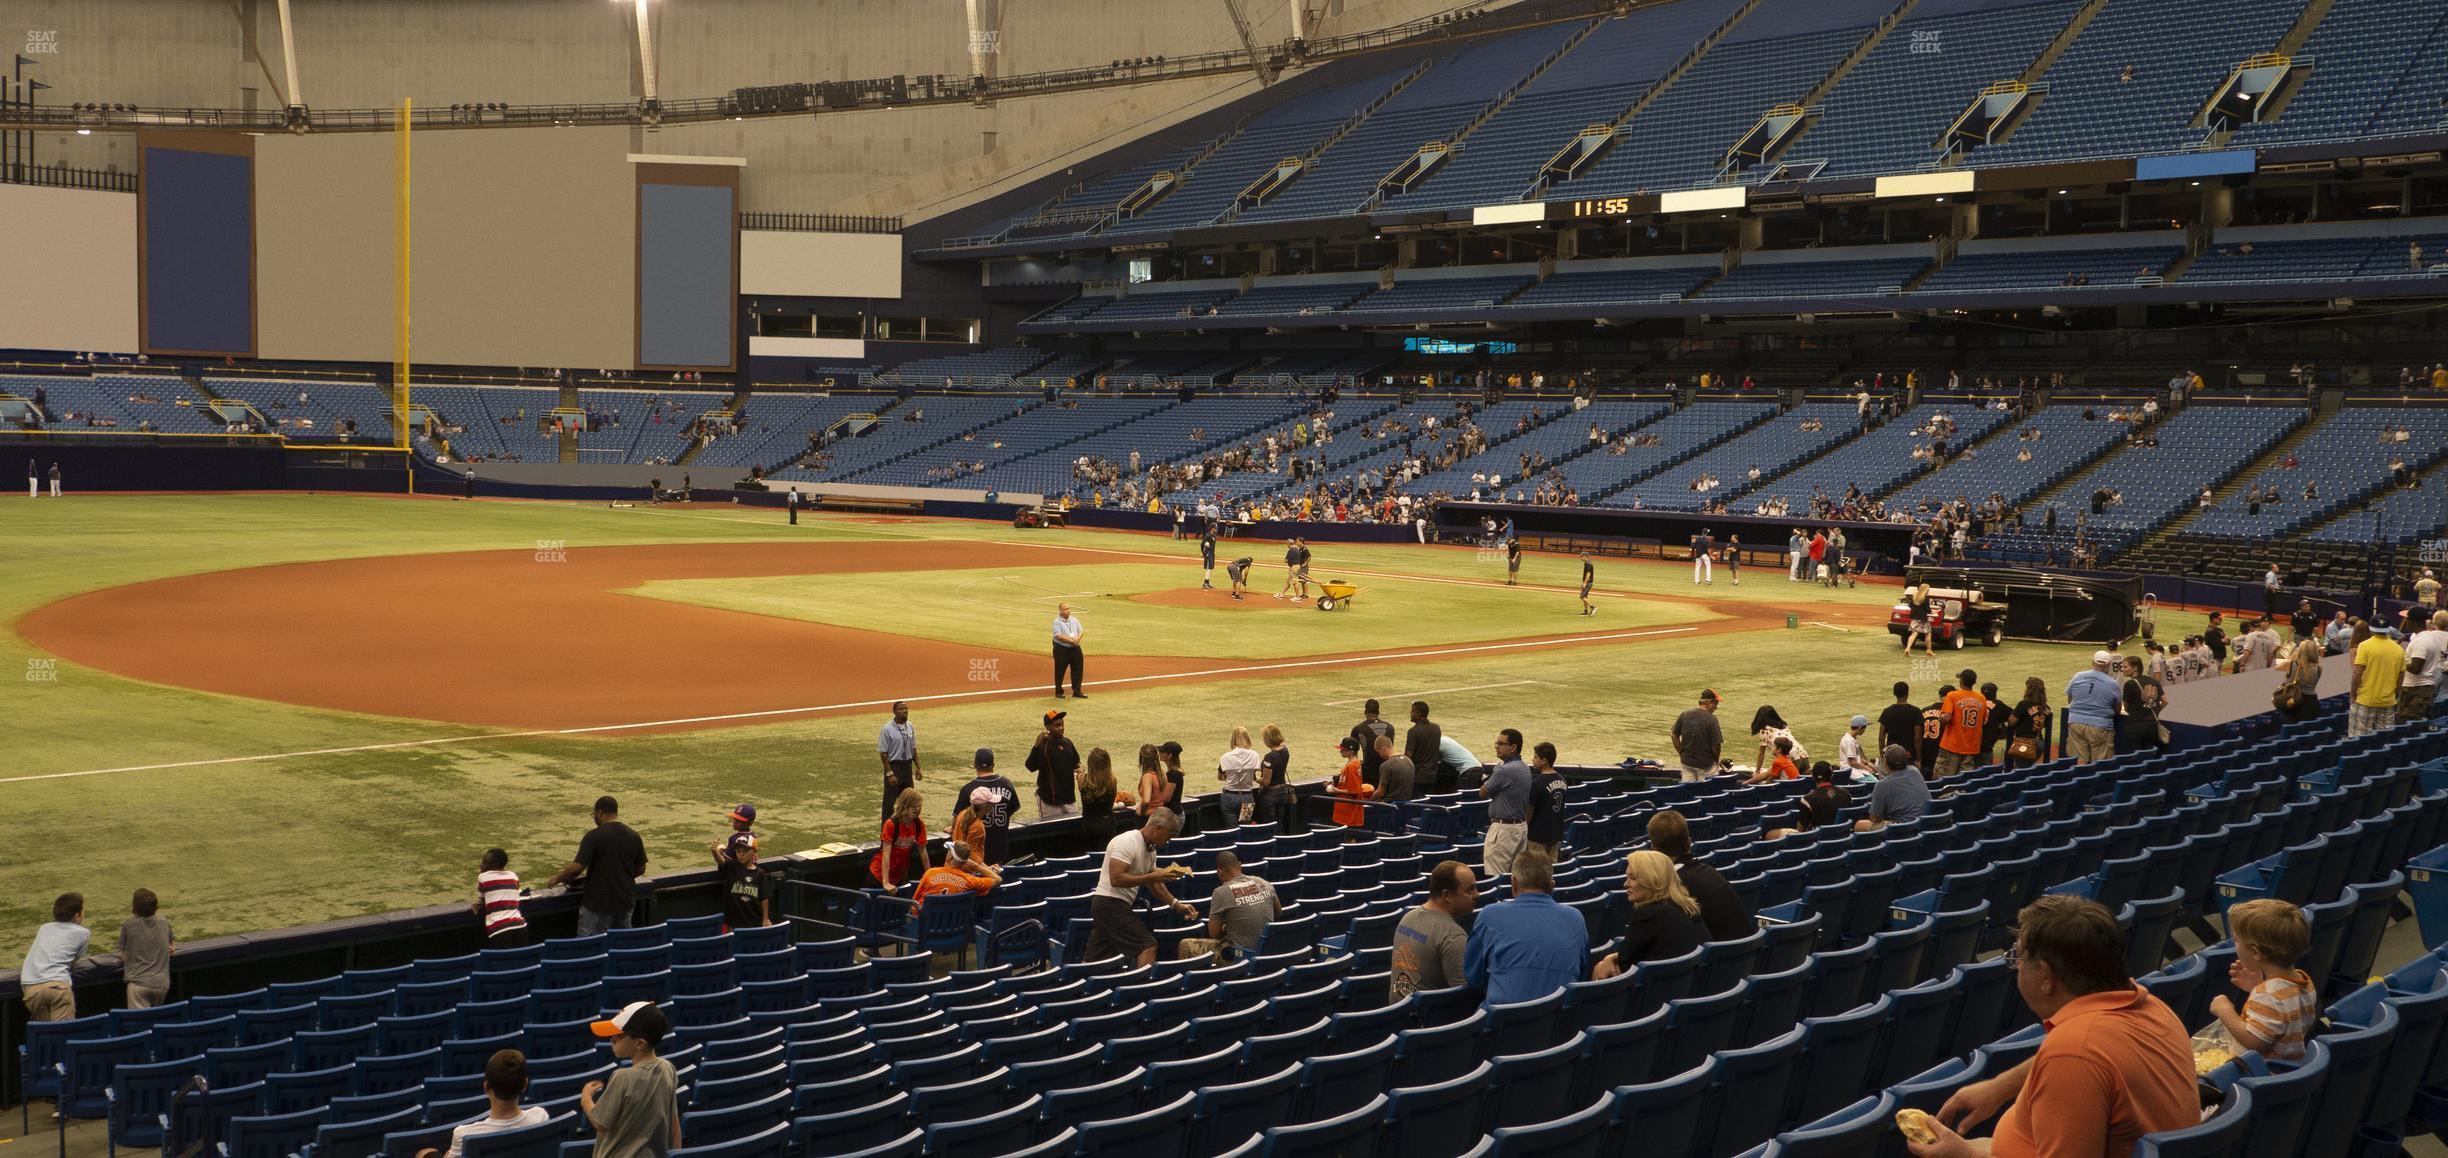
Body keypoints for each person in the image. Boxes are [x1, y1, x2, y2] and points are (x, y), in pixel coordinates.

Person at [1905, 897, 2194, 1158]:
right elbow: (2081, 1055)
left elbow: (2075, 1058)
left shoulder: (2074, 1055)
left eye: (2018, 958)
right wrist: (2001, 1087)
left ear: (2045, 976)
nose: (2016, 967)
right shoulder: (2147, 1006)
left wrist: (1965, 1157)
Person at [1462, 849, 1586, 1005]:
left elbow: (1474, 977)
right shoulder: (1576, 919)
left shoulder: (1489, 916)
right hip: (1558, 1023)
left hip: (1502, 1022)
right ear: (1552, 886)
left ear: (1514, 884)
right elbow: (1581, 972)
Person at [2208, 898, 2315, 1063]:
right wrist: (2257, 987)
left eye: (2236, 940)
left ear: (2256, 953)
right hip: (2289, 1064)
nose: (2234, 945)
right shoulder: (2303, 980)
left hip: (2261, 1074)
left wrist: (2225, 1010)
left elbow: (2254, 1042)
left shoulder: (2268, 996)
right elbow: (2282, 1015)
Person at [1088, 808, 1199, 967]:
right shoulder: (1127, 842)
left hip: (1113, 905)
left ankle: (1080, 987)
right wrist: (1152, 876)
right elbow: (1116, 879)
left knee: (1095, 959)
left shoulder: (1150, 850)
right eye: (1170, 833)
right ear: (1158, 828)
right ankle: (1142, 989)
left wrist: (1175, 904)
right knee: (1147, 946)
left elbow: (1154, 884)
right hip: (1109, 903)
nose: (1170, 839)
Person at [581, 1003, 680, 1158]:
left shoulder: (622, 1077)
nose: (612, 1039)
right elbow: (673, 1121)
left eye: (618, 1036)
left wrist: (586, 1098)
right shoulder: (668, 1069)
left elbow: (601, 1123)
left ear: (640, 1043)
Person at [1590, 850, 1707, 979]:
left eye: (1633, 878)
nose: (1626, 884)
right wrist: (1611, 957)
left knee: (1600, 969)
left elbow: (1624, 966)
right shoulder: (1685, 906)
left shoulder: (1648, 914)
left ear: (1652, 880)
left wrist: (1606, 962)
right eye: (1627, 877)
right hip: (1690, 983)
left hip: (1658, 989)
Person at [543, 796, 647, 936]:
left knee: (590, 947)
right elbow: (641, 869)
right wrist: (621, 875)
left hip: (598, 903)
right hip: (625, 901)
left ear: (599, 812)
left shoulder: (593, 836)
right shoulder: (633, 835)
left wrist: (557, 878)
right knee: (622, 945)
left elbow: (576, 868)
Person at [418, 1050, 549, 1158]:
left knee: (423, 1153)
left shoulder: (464, 1135)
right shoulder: (540, 1117)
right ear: (525, 1085)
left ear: (486, 1087)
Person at [1393, 861, 1477, 1000]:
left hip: (1397, 1015)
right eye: (1470, 890)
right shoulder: (1452, 935)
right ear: (1446, 895)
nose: (1477, 894)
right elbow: (1464, 999)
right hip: (1431, 1020)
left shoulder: (1407, 918)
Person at [1178, 850, 1279, 962]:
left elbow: (1214, 933)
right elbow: (1278, 912)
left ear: (1219, 872)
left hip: (1240, 956)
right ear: (1240, 865)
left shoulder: (1220, 892)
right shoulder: (1264, 883)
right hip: (1267, 952)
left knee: (1185, 945)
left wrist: (1226, 927)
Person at [18, 893, 90, 1023]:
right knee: (62, 1034)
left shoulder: (44, 928)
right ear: (77, 915)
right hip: (57, 986)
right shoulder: (83, 933)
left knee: (47, 1035)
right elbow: (74, 960)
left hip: (31, 989)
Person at [1481, 729, 1533, 876]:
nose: (1497, 747)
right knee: (1515, 876)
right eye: (1496, 743)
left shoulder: (1504, 770)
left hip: (1504, 830)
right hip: (1519, 827)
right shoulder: (1524, 767)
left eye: (1501, 744)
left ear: (1513, 747)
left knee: (1496, 876)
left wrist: (1496, 772)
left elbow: (1482, 792)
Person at [956, 748, 1020, 864]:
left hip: (976, 856)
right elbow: (1012, 809)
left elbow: (958, 819)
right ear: (993, 765)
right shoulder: (1007, 784)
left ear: (975, 765)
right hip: (1000, 850)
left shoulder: (967, 790)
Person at [711, 803, 765, 928]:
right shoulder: (753, 837)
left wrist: (717, 851)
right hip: (751, 882)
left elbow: (725, 863)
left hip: (736, 882)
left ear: (749, 822)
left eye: (739, 821)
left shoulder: (735, 838)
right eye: (735, 819)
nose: (735, 823)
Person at [912, 840, 1001, 913]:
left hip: (924, 926)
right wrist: (976, 867)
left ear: (950, 856)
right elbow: (998, 879)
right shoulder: (969, 881)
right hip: (954, 928)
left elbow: (914, 902)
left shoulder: (930, 873)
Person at [2350, 619, 2405, 737]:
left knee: (2358, 741)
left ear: (2371, 629)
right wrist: (2394, 694)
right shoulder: (2399, 649)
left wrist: (2353, 695)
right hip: (2387, 702)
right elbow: (2401, 679)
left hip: (2365, 701)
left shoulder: (2364, 646)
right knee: (2384, 741)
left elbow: (2356, 674)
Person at [2064, 652, 2122, 764]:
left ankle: (2080, 781)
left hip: (2076, 722)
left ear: (2093, 662)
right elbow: (2117, 709)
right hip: (2100, 726)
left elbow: (2070, 699)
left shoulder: (2078, 676)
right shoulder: (2113, 684)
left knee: (2079, 761)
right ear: (2108, 665)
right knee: (2100, 762)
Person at [120, 889, 173, 1009]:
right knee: (153, 1020)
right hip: (162, 984)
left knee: (141, 1023)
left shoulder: (128, 924)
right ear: (156, 907)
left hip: (139, 984)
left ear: (134, 907)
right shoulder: (164, 922)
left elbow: (123, 954)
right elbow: (171, 946)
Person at [1857, 745, 1929, 832]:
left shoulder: (1882, 785)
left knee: (1860, 825)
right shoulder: (1915, 771)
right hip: (1925, 822)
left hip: (1904, 827)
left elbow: (1875, 819)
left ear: (1886, 764)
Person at [1771, 763, 1853, 838]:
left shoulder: (1808, 799)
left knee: (1771, 834)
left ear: (1813, 776)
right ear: (1831, 776)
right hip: (1842, 836)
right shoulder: (1846, 794)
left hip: (1817, 838)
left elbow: (1801, 829)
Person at [1025, 709, 1081, 820]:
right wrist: (1036, 746)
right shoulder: (1043, 746)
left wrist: (1081, 769)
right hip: (1050, 801)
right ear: (1047, 727)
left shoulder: (1067, 743)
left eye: (1062, 724)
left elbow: (1076, 763)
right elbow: (1030, 766)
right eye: (1057, 725)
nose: (1061, 728)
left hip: (1069, 799)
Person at [869, 788, 926, 891]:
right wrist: (885, 882)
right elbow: (886, 854)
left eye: (918, 806)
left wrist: (929, 874)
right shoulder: (891, 824)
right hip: (879, 875)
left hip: (899, 876)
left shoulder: (918, 824)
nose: (916, 809)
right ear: (904, 805)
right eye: (913, 806)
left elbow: (923, 850)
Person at [1935, 669, 1988, 777]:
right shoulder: (1981, 698)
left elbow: (1946, 718)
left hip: (1951, 746)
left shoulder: (1952, 695)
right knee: (1964, 783)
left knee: (1944, 781)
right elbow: (1984, 721)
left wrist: (1941, 717)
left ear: (1962, 681)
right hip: (1971, 748)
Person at [876, 701, 920, 824]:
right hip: (894, 767)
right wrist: (889, 773)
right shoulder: (887, 729)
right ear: (894, 712)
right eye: (901, 709)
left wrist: (918, 768)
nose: (904, 711)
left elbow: (913, 748)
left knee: (910, 801)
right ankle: (885, 835)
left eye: (906, 708)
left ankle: (907, 830)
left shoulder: (910, 726)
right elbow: (883, 753)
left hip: (907, 767)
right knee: (889, 804)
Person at [474, 850, 528, 948]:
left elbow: (481, 899)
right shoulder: (513, 876)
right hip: (520, 926)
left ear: (495, 864)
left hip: (498, 929)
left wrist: (477, 904)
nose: (481, 864)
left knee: (504, 961)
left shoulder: (483, 877)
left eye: (485, 862)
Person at [2402, 609, 2446, 725]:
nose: (2405, 622)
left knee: (2409, 725)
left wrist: (2400, 661)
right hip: (2425, 687)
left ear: (2412, 621)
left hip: (2415, 690)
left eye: (2407, 619)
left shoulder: (2421, 641)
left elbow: (2416, 668)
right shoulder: (2429, 638)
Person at [1525, 742, 1567, 861]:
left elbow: (1529, 812)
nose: (1532, 759)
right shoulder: (1562, 780)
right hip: (1554, 834)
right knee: (1551, 872)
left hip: (1537, 836)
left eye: (1535, 757)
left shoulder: (1537, 783)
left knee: (1537, 872)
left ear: (1544, 761)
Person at [1672, 689, 1723, 782]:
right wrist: (1716, 761)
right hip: (1706, 765)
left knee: (1688, 791)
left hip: (1687, 763)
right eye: (1716, 704)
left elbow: (1674, 735)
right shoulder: (1711, 719)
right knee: (1706, 793)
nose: (1716, 708)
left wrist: (1682, 753)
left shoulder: (1685, 714)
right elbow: (1716, 745)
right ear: (1710, 702)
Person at [1078, 746, 1122, 845]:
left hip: (1088, 824)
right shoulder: (1112, 780)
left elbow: (1082, 786)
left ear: (1090, 763)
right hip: (1106, 823)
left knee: (1091, 856)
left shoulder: (1082, 779)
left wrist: (1082, 772)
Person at [1217, 725, 1262, 822]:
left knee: (1231, 828)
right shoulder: (1254, 755)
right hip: (1247, 796)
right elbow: (1253, 773)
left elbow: (1220, 777)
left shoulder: (1226, 757)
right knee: (1246, 826)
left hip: (1230, 796)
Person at [1349, 699, 1397, 788]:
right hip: (1387, 770)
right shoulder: (1390, 728)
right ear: (1378, 712)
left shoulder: (1358, 729)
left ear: (1365, 712)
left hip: (1368, 772)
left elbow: (1352, 754)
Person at [1330, 737, 1375, 829]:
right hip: (1347, 809)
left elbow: (1354, 791)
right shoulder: (1355, 763)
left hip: (1348, 810)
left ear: (1351, 751)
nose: (1340, 752)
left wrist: (1335, 790)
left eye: (1342, 750)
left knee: (1349, 838)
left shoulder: (1352, 766)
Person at [1254, 724, 1293, 830]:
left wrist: (1255, 778)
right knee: (1279, 823)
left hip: (1270, 795)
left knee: (1268, 825)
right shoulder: (1285, 750)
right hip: (1282, 791)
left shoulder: (1269, 757)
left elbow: (1266, 782)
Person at [2006, 677, 2050, 768]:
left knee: (2021, 772)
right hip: (2039, 743)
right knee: (2027, 768)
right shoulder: (2046, 707)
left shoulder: (2024, 704)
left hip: (2025, 744)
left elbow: (2011, 722)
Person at [2115, 680, 2164, 756]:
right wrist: (2156, 711)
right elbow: (2165, 701)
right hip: (2152, 726)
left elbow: (2126, 707)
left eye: (2125, 667)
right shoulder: (2155, 682)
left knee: (2135, 756)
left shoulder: (2129, 684)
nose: (2123, 668)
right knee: (2149, 755)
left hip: (2135, 727)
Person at [1878, 682, 1923, 764]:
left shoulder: (1887, 711)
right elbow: (1917, 738)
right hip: (1908, 754)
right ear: (1907, 693)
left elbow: (1881, 737)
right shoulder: (1915, 711)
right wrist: (1918, 758)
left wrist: (1882, 756)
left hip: (1891, 754)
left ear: (1894, 693)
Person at [1051, 602, 1087, 698]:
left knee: (1078, 670)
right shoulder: (1057, 622)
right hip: (1062, 649)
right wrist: (1072, 640)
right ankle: (1058, 692)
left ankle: (1077, 691)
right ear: (1061, 611)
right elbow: (1059, 636)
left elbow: (1081, 631)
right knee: (1060, 671)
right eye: (1066, 609)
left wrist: (1077, 640)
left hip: (1075, 648)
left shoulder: (1074, 619)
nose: (1068, 611)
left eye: (1069, 608)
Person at [1405, 701, 1443, 787]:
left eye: (1413, 711)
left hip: (1418, 777)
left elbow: (1408, 756)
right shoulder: (1436, 727)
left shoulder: (1413, 731)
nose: (1410, 713)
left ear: (1418, 715)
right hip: (1432, 776)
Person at [1375, 734, 1417, 803]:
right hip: (1407, 805)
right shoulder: (1408, 761)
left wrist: (1369, 801)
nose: (1380, 756)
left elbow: (1380, 792)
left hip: (1391, 806)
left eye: (1379, 753)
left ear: (1383, 748)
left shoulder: (1386, 765)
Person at [1902, 584, 1935, 656]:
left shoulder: (1915, 596)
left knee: (1914, 633)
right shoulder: (1926, 598)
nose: (1929, 590)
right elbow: (1927, 610)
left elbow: (1910, 606)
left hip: (1914, 617)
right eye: (1928, 589)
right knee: (1928, 633)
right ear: (1926, 590)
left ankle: (1907, 648)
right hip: (1922, 619)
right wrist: (1932, 611)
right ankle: (1929, 650)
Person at [1199, 518, 1218, 589]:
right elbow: (1202, 544)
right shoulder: (1207, 535)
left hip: (1212, 553)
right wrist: (1202, 552)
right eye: (1215, 528)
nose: (1216, 529)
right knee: (1209, 568)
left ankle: (1207, 583)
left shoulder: (1214, 536)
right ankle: (1205, 584)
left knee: (1210, 568)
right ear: (1212, 528)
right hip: (1208, 553)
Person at [1579, 552, 1596, 616]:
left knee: (1582, 596)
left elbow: (1588, 574)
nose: (1580, 558)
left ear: (1585, 556)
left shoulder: (1588, 564)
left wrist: (1585, 583)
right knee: (1585, 597)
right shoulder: (1586, 563)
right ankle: (1586, 611)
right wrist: (1583, 582)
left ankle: (1593, 607)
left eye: (1581, 556)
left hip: (1588, 583)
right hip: (1587, 582)